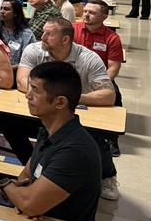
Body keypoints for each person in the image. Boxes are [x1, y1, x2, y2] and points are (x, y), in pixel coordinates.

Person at [14, 18, 119, 200]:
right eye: (44, 32)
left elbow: (108, 95)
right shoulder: (34, 50)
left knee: (95, 135)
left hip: (76, 110)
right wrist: (47, 98)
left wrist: (66, 99)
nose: (43, 37)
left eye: (50, 34)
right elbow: (22, 81)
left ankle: (107, 175)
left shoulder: (88, 58)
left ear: (65, 40)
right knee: (11, 126)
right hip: (46, 106)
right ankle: (39, 170)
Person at [0, 61, 102, 221]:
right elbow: (25, 178)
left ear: (60, 102)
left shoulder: (75, 151)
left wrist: (5, 185)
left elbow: (29, 204)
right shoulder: (47, 131)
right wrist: (23, 197)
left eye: (36, 91)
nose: (28, 95)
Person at [74, 0, 124, 155]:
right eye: (86, 11)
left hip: (99, 79)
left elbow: (113, 68)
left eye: (92, 13)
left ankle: (110, 139)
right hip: (73, 76)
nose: (86, 15)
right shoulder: (72, 29)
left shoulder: (112, 38)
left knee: (114, 96)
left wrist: (97, 84)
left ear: (104, 17)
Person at [0, 0, 36, 65]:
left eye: (6, 9)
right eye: (1, 8)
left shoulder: (26, 34)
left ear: (15, 13)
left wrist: (8, 69)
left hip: (17, 71)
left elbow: (29, 61)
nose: (2, 11)